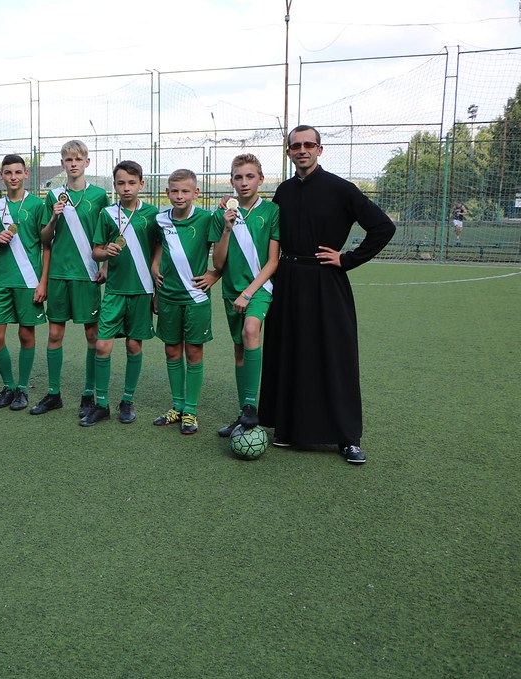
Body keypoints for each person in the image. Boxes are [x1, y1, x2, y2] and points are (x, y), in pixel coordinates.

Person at [259, 125, 396, 465]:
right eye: (296, 146)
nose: (302, 150)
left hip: (325, 280)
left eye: (309, 145)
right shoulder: (284, 192)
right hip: (288, 281)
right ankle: (287, 428)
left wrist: (347, 259)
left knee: (335, 355)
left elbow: (383, 227)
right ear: (288, 152)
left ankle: (348, 438)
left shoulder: (341, 189)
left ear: (319, 150)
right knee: (289, 352)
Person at [30, 140, 110, 417]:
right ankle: (54, 393)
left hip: (87, 275)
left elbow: (108, 232)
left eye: (78, 159)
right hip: (59, 275)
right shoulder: (53, 196)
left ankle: (88, 394)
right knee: (54, 333)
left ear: (87, 162)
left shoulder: (100, 196)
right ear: (62, 164)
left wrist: (106, 266)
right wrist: (53, 219)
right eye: (68, 160)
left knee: (92, 334)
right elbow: (44, 239)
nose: (73, 164)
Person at [84, 160, 160, 426]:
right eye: (120, 183)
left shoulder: (153, 214)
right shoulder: (106, 214)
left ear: (142, 184)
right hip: (114, 291)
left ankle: (127, 400)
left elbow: (160, 246)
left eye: (131, 183)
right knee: (103, 346)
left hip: (141, 291)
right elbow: (95, 251)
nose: (126, 188)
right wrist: (106, 253)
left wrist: (154, 270)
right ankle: (101, 404)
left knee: (133, 345)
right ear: (114, 185)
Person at [210, 155, 280, 438]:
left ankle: (252, 407)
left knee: (252, 329)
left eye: (250, 177)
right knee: (239, 349)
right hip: (231, 291)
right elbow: (218, 263)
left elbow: (273, 261)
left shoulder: (272, 211)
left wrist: (249, 292)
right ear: (231, 181)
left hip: (260, 289)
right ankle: (244, 413)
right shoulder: (222, 214)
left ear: (260, 179)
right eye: (238, 177)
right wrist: (226, 228)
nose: (244, 182)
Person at [149, 169, 220, 435]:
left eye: (185, 191)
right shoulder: (160, 220)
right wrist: (155, 265)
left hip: (196, 297)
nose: (180, 196)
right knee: (171, 351)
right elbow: (157, 246)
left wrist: (216, 273)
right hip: (168, 296)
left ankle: (191, 409)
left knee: (194, 352)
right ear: (167, 193)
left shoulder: (206, 218)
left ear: (196, 193)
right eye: (175, 191)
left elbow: (221, 248)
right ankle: (177, 406)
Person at [0, 154, 49, 411]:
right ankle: (8, 386)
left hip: (29, 280)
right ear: (1, 175)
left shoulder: (37, 205)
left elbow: (47, 246)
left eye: (17, 172)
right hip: (2, 280)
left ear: (26, 175)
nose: (13, 177)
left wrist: (43, 282)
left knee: (26, 333)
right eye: (8, 172)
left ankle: (22, 389)